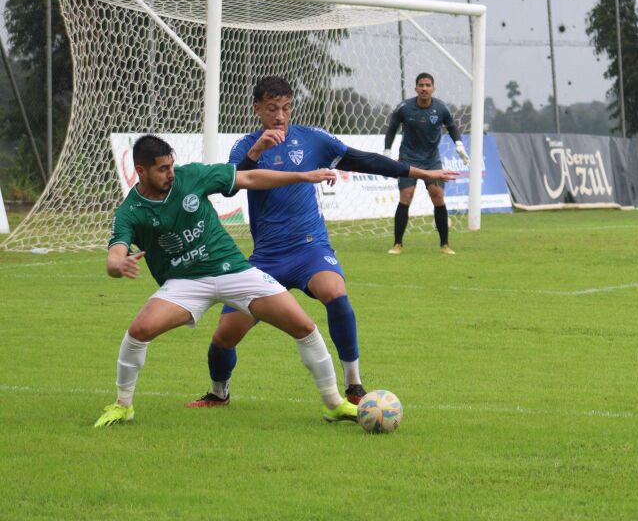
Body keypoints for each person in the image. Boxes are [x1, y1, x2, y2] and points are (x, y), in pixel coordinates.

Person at [187, 76, 459, 409]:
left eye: (286, 108)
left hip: (309, 248)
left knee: (335, 293)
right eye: (272, 109)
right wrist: (258, 151)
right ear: (257, 108)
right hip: (266, 259)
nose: (281, 116)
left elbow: (363, 159)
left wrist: (420, 173)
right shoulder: (245, 147)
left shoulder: (312, 139)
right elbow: (232, 186)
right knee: (224, 336)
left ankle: (354, 384)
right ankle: (219, 393)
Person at [94, 134, 359, 427]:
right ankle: (122, 405)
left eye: (171, 165)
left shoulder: (191, 175)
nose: (170, 173)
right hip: (185, 283)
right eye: (161, 169)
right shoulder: (131, 210)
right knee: (139, 330)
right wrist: (117, 263)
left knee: (304, 326)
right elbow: (115, 252)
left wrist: (301, 176)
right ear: (141, 171)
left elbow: (250, 178)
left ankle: (334, 404)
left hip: (233, 270)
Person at [383, 72, 470, 255]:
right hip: (408, 157)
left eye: (428, 85)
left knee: (437, 196)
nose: (424, 88)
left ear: (433, 88)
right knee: (406, 196)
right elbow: (392, 127)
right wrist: (387, 151)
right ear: (416, 88)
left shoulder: (440, 108)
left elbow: (452, 126)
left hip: (432, 159)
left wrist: (459, 145)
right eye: (421, 85)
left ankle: (445, 245)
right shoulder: (405, 108)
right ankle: (397, 244)